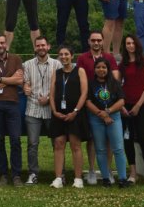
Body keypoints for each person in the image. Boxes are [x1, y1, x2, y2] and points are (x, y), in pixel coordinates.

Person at [77, 32, 119, 184]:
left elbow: (115, 78)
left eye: (99, 40)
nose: (96, 43)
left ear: (103, 41)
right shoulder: (82, 58)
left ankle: (107, 170)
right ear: (89, 41)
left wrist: (109, 97)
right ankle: (92, 170)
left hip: (107, 102)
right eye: (93, 40)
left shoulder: (109, 57)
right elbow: (80, 78)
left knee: (108, 139)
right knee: (92, 139)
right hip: (89, 102)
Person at [0, 33, 25, 186]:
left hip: (12, 103)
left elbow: (20, 80)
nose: (0, 45)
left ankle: (16, 175)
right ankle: (3, 174)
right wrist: (11, 80)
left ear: (6, 44)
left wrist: (0, 79)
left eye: (2, 42)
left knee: (15, 139)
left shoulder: (16, 59)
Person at [85, 57, 130, 187]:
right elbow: (88, 102)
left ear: (108, 69)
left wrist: (108, 111)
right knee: (100, 149)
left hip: (114, 117)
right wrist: (102, 115)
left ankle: (122, 179)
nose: (101, 70)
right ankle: (105, 178)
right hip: (96, 118)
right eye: (98, 67)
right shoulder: (90, 83)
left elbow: (121, 101)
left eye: (104, 67)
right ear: (94, 69)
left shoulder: (114, 83)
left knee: (118, 148)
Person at [49, 45, 89, 189]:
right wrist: (54, 111)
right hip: (59, 114)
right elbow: (51, 94)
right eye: (61, 54)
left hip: (75, 114)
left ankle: (78, 179)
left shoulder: (80, 71)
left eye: (66, 54)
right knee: (58, 144)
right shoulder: (57, 73)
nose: (64, 57)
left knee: (75, 145)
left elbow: (84, 93)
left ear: (72, 56)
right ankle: (58, 178)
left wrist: (76, 111)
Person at [119, 35, 144, 186]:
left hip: (141, 106)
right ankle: (133, 173)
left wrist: (138, 105)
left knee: (143, 138)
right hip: (125, 107)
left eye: (133, 43)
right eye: (128, 43)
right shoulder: (122, 64)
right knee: (127, 139)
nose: (130, 45)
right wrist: (121, 106)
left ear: (137, 44)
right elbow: (117, 86)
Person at [22, 35, 57, 186]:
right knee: (32, 143)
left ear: (48, 46)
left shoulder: (57, 64)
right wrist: (25, 87)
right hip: (33, 108)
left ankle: (59, 174)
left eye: (43, 45)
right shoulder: (27, 64)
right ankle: (33, 173)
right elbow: (25, 83)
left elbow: (59, 86)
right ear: (35, 47)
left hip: (51, 109)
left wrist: (48, 98)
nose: (41, 48)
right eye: (38, 45)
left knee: (57, 143)